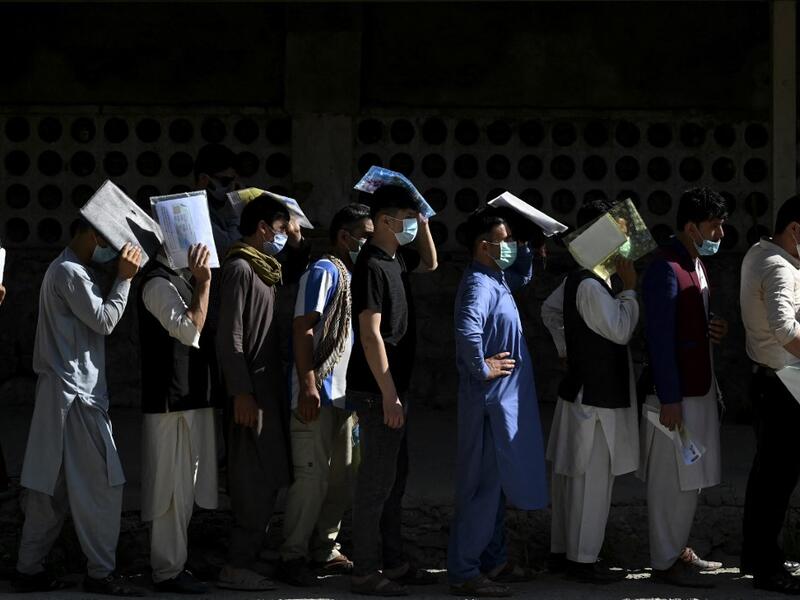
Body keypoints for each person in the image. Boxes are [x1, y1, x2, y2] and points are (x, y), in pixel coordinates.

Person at [12, 220, 143, 596]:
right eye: (110, 241)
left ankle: (28, 569)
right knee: (102, 484)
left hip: (63, 394)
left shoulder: (69, 269)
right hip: (76, 398)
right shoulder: (70, 272)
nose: (115, 251)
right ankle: (101, 573)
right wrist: (125, 279)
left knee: (48, 490)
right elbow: (104, 321)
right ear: (93, 236)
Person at [447, 208, 547, 597]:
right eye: (504, 241)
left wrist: (529, 248)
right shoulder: (478, 284)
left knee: (497, 484)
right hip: (488, 402)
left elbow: (520, 276)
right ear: (483, 245)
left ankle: (493, 560)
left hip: (501, 403)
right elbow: (467, 327)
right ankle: (465, 571)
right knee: (481, 487)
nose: (509, 247)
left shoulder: (495, 278)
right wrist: (481, 366)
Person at [541, 200, 639, 584]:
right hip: (594, 400)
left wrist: (566, 348)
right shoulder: (591, 285)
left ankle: (566, 553)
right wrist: (630, 292)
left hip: (586, 393)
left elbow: (550, 312)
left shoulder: (582, 279)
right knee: (590, 480)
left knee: (575, 478)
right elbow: (619, 329)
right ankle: (582, 560)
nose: (624, 245)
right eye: (617, 236)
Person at [347, 185, 437, 596]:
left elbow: (431, 263)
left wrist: (423, 223)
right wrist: (388, 394)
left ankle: (393, 560)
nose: (410, 226)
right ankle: (366, 570)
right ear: (385, 220)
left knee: (395, 481)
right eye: (404, 218)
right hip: (376, 392)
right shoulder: (370, 265)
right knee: (376, 485)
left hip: (393, 390)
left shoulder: (396, 258)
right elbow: (370, 335)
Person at [278, 203, 373, 586]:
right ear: (344, 237)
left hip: (347, 399)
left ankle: (324, 547)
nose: (369, 241)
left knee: (343, 477)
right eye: (364, 235)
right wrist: (308, 383)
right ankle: (291, 555)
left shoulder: (356, 276)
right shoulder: (324, 271)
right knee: (312, 478)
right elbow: (304, 326)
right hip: (317, 393)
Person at [639, 187, 729, 588]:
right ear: (691, 227)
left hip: (699, 388)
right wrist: (669, 397)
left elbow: (691, 324)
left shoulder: (694, 263)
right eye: (714, 226)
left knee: (688, 478)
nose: (720, 234)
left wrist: (715, 329)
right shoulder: (665, 266)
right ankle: (664, 562)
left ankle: (676, 550)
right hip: (675, 396)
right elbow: (659, 337)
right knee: (669, 480)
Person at [215, 194, 294, 591]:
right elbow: (230, 338)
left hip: (269, 390)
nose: (284, 236)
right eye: (280, 228)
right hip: (250, 394)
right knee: (251, 478)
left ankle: (252, 553)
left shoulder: (267, 269)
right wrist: (241, 393)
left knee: (270, 473)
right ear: (263, 228)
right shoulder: (241, 268)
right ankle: (236, 564)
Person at [137, 244, 217, 594]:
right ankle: (167, 570)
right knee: (170, 491)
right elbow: (188, 330)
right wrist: (204, 285)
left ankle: (176, 561)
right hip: (170, 404)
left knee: (185, 489)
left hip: (188, 400)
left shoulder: (177, 280)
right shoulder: (157, 284)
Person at [740, 195, 800, 594]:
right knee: (776, 482)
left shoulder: (760, 253)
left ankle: (758, 559)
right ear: (795, 229)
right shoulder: (778, 266)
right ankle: (767, 568)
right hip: (782, 385)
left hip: (769, 380)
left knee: (767, 479)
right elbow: (786, 330)